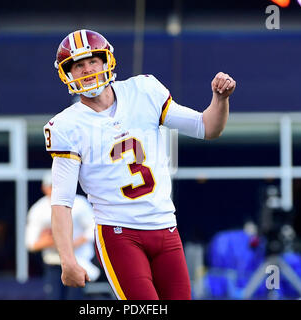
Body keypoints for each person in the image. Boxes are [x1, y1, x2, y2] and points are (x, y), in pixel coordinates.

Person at [45, 29, 236, 300]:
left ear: (107, 61)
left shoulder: (143, 90)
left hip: (165, 226)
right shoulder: (66, 125)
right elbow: (62, 201)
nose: (87, 69)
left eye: (92, 61)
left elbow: (207, 127)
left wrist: (220, 100)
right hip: (119, 233)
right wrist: (67, 259)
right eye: (78, 65)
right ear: (67, 73)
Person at [25, 170, 100, 299]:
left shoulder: (79, 204)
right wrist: (52, 241)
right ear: (45, 188)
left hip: (79, 260)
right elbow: (31, 243)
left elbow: (94, 228)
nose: (54, 190)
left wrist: (73, 243)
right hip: (54, 263)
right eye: (51, 186)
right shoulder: (39, 210)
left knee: (75, 297)